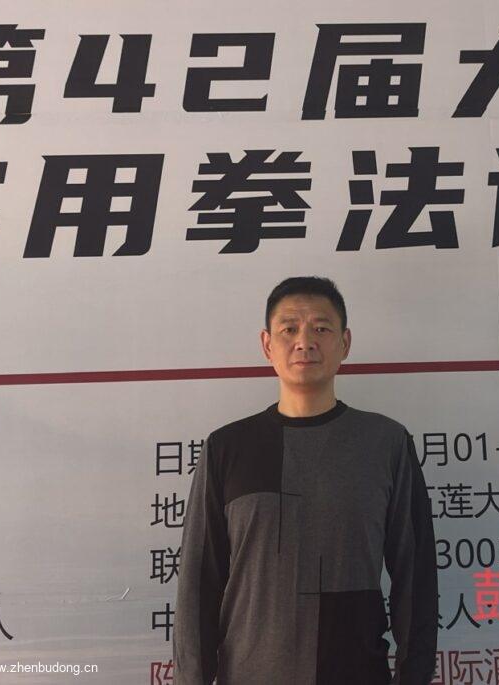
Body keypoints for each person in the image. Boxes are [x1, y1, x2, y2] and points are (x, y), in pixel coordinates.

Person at [173, 276, 438, 685]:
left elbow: (414, 577)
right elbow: (198, 584)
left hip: (357, 672)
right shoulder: (227, 448)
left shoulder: (386, 443)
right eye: (289, 329)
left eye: (321, 328)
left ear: (345, 343)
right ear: (267, 345)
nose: (305, 341)